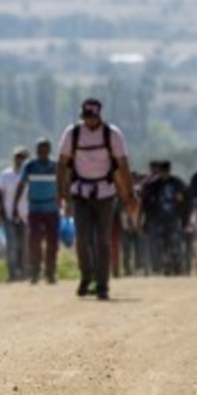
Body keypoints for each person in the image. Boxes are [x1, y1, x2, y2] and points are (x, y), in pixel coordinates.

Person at [56, 98, 134, 300]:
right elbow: (62, 163)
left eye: (92, 118)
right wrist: (60, 190)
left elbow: (123, 165)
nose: (89, 122)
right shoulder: (72, 134)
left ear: (99, 116)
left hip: (106, 194)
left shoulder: (112, 135)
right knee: (81, 238)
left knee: (103, 240)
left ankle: (102, 284)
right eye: (86, 118)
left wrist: (129, 194)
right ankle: (86, 275)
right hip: (80, 192)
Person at [13, 138, 60, 285]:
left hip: (52, 209)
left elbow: (63, 184)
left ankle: (50, 273)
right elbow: (21, 185)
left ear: (49, 150)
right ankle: (35, 272)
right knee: (34, 242)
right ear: (36, 151)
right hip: (35, 209)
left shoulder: (55, 166)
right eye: (40, 150)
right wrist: (15, 205)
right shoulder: (30, 166)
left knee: (52, 242)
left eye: (45, 150)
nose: (42, 153)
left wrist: (67, 202)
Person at [139, 160, 189, 276]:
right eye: (162, 172)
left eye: (166, 171)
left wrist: (185, 218)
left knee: (175, 243)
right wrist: (144, 220)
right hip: (157, 218)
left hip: (173, 217)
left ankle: (176, 266)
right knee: (157, 243)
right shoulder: (152, 186)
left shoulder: (177, 183)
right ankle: (160, 266)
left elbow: (186, 201)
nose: (164, 174)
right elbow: (145, 204)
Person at [0, 147, 30, 281]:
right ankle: (12, 273)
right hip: (9, 215)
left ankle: (24, 272)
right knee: (12, 244)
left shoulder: (29, 176)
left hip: (26, 215)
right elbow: (1, 194)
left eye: (23, 157)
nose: (20, 160)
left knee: (25, 245)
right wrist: (1, 211)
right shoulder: (5, 175)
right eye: (18, 157)